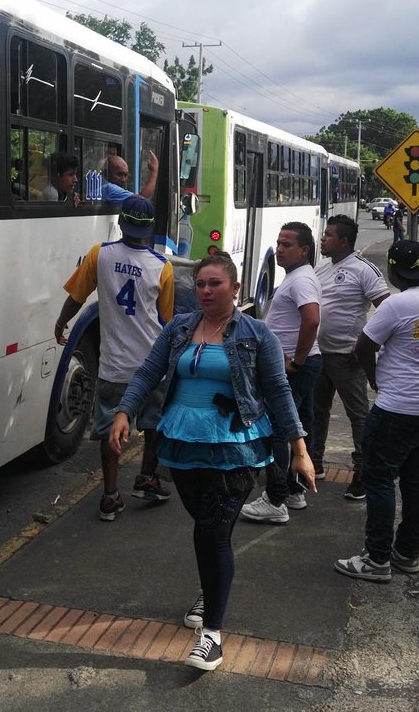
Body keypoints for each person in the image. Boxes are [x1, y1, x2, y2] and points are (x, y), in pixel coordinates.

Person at [109, 251, 316, 672]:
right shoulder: (180, 327)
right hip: (182, 444)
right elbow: (148, 373)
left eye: (214, 284)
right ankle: (212, 585)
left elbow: (278, 393)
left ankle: (212, 636)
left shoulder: (258, 335)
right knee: (204, 526)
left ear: (235, 288)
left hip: (235, 446)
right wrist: (124, 411)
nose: (205, 291)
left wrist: (299, 449)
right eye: (200, 284)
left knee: (214, 533)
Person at [334, 240, 419, 583]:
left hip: (399, 406)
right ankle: (407, 553)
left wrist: (374, 380)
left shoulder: (398, 304)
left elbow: (364, 346)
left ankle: (376, 558)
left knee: (380, 479)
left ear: (392, 269)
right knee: (417, 481)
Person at [54, 195, 174, 520]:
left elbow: (77, 296)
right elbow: (165, 320)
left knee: (111, 428)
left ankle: (109, 496)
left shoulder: (100, 255)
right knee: (153, 424)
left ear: (121, 223)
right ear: (149, 230)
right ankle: (147, 479)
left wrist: (62, 321)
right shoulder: (162, 266)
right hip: (151, 365)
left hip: (113, 366)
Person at [240, 222, 324, 524]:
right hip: (303, 364)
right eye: (278, 243)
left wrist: (297, 360)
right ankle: (293, 490)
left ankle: (275, 499)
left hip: (296, 367)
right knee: (300, 426)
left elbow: (311, 320)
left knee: (277, 430)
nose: (279, 249)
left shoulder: (301, 280)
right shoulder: (298, 276)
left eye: (287, 245)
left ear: (304, 249)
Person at [309, 214, 389, 498]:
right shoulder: (321, 268)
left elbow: (387, 310)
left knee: (358, 415)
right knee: (316, 412)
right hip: (318, 355)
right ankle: (313, 463)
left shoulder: (363, 269)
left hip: (348, 357)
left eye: (328, 235)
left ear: (343, 241)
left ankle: (363, 471)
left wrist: (368, 343)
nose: (323, 239)